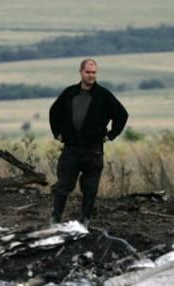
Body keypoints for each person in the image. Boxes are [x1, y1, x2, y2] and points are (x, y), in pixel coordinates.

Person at [49, 58, 128, 226]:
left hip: (93, 150)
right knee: (63, 185)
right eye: (88, 72)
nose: (91, 76)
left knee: (90, 188)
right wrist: (57, 133)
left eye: (94, 73)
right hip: (71, 148)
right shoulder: (70, 93)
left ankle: (85, 221)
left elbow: (122, 115)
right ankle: (55, 220)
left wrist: (111, 135)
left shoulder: (103, 95)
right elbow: (54, 112)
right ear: (81, 72)